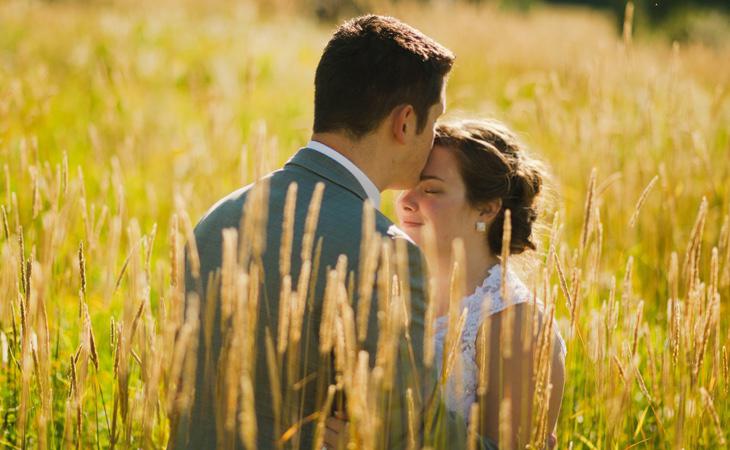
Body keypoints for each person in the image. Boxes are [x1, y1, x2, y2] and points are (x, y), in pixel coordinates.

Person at [171, 14, 497, 450]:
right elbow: (406, 431)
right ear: (404, 123)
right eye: (433, 121)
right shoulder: (385, 253)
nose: (434, 137)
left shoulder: (216, 220)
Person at [396, 119, 566, 448]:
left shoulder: (517, 324)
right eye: (408, 183)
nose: (405, 200)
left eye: (430, 189)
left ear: (486, 209)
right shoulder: (391, 290)